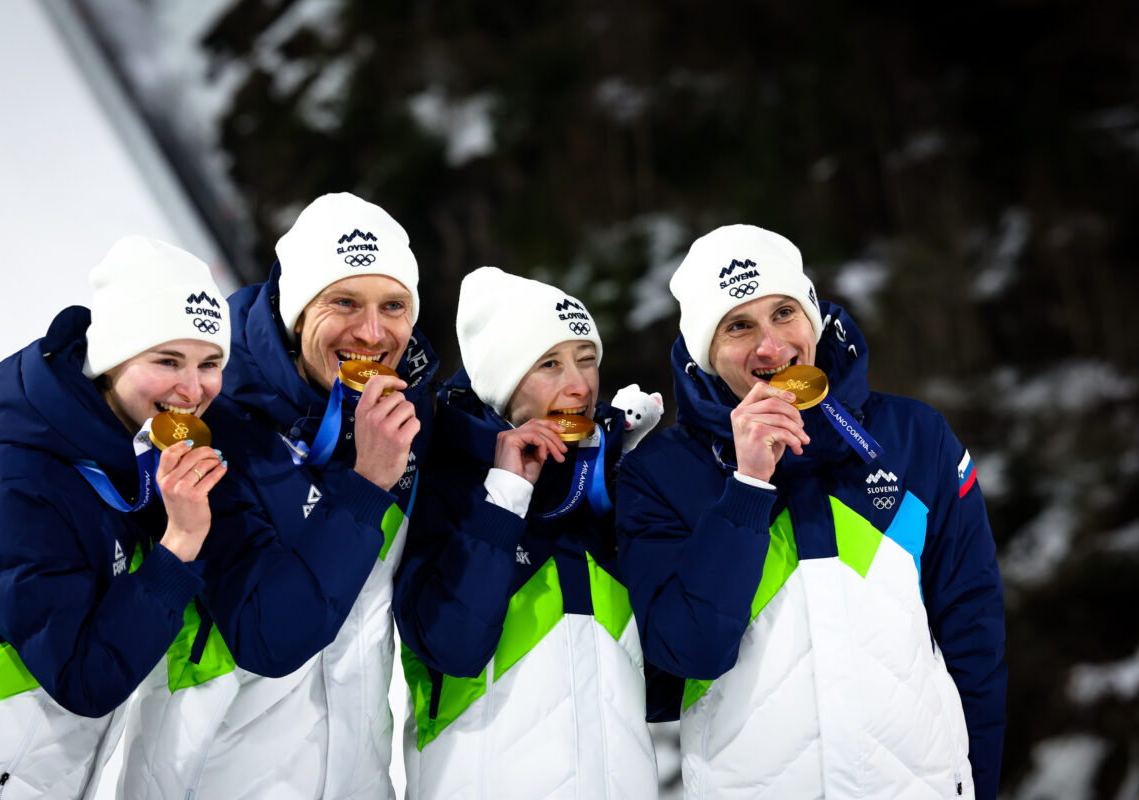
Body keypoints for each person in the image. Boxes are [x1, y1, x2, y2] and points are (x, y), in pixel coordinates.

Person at [615, 224, 1007, 799]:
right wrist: (748, 483)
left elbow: (974, 631)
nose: (770, 347)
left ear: (814, 318)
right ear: (706, 351)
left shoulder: (916, 437)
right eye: (738, 326)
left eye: (783, 313)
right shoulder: (659, 474)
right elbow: (688, 653)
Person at [119, 192, 438, 799]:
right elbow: (268, 635)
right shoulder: (206, 428)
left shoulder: (405, 420)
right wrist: (368, 483)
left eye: (393, 305)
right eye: (343, 301)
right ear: (294, 312)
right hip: (213, 782)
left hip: (358, 780)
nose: (371, 331)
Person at [0, 236, 229, 799]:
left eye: (210, 363)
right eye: (167, 360)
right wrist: (180, 543)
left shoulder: (130, 461)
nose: (192, 389)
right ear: (109, 362)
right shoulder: (18, 487)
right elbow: (85, 678)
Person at [394, 267, 659, 800]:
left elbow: (673, 674)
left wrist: (640, 475)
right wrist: (507, 493)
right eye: (550, 364)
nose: (579, 384)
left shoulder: (605, 485)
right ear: (504, 380)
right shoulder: (442, 479)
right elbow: (453, 647)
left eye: (587, 359)